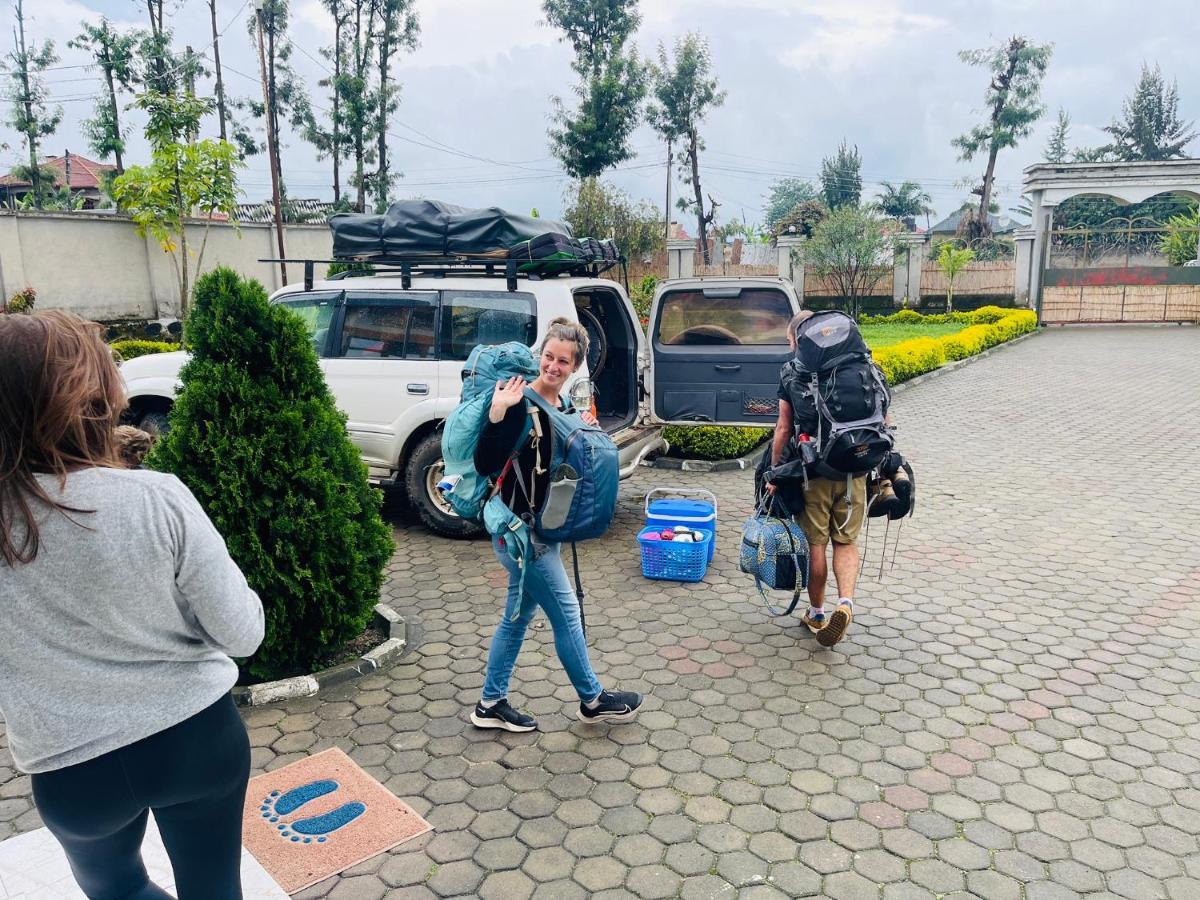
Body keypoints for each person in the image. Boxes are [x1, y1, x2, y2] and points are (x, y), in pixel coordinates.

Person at [0, 311, 265, 900]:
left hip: (69, 765)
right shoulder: (156, 498)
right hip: (196, 740)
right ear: (96, 398)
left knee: (117, 890)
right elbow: (242, 633)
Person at [469, 317, 644, 732]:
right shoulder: (518, 402)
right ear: (539, 356)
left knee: (516, 617)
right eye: (548, 356)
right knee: (566, 612)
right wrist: (496, 415)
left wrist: (588, 440)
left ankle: (490, 703)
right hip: (521, 534)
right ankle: (593, 699)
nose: (553, 366)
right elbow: (484, 462)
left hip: (544, 527)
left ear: (574, 366)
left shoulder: (564, 407)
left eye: (562, 361)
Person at [766, 310, 891, 647]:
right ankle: (846, 603)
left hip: (815, 474)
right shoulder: (865, 367)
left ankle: (818, 612)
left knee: (816, 545)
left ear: (797, 339)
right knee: (846, 542)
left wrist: (775, 471)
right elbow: (884, 417)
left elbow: (783, 429)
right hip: (857, 470)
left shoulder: (793, 374)